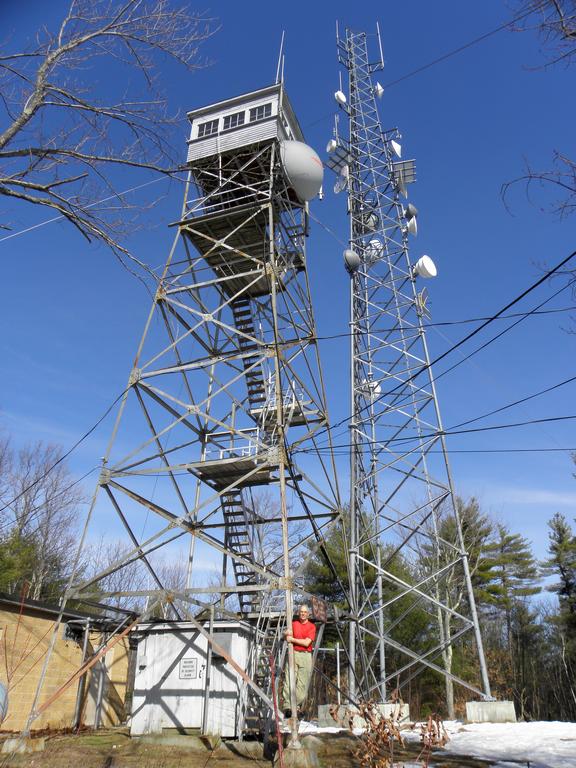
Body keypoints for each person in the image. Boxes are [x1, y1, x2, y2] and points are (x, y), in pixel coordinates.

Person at [282, 604, 316, 716]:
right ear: (298, 613)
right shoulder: (294, 624)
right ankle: (288, 706)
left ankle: (295, 704)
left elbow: (306, 643)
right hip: (293, 653)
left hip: (305, 655)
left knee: (302, 684)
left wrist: (291, 639)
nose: (303, 613)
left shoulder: (312, 626)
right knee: (289, 678)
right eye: (301, 611)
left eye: (305, 612)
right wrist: (285, 634)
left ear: (308, 614)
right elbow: (286, 635)